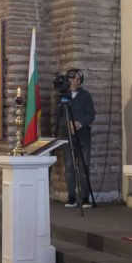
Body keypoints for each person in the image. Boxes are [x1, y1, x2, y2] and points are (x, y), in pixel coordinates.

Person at [54, 68, 95, 207]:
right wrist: (69, 123)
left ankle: (85, 197)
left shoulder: (86, 96)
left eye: (78, 79)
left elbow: (91, 115)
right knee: (70, 166)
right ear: (68, 79)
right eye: (73, 78)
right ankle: (71, 197)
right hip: (67, 135)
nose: (75, 81)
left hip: (83, 135)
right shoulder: (62, 96)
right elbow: (58, 117)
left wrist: (80, 123)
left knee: (84, 166)